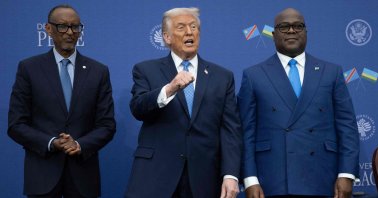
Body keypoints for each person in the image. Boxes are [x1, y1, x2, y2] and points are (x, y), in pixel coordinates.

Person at [238, 8, 359, 198]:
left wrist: (346, 174)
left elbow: (347, 127)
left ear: (306, 31)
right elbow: (246, 133)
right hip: (272, 178)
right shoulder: (254, 75)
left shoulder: (331, 72)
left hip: (323, 177)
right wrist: (250, 179)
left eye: (298, 26)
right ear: (273, 34)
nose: (292, 31)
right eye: (284, 27)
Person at [125, 7, 242, 198]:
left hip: (204, 178)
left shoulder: (222, 77)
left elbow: (230, 130)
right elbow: (138, 108)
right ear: (166, 37)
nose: (189, 32)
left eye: (193, 27)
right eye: (181, 27)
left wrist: (231, 175)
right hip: (156, 175)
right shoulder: (145, 70)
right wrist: (169, 89)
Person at [8, 4, 116, 198]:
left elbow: (107, 125)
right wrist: (51, 142)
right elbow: (16, 124)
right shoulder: (29, 68)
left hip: (84, 177)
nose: (70, 32)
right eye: (62, 26)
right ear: (48, 29)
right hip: (42, 175)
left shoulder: (98, 71)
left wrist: (79, 144)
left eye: (75, 27)